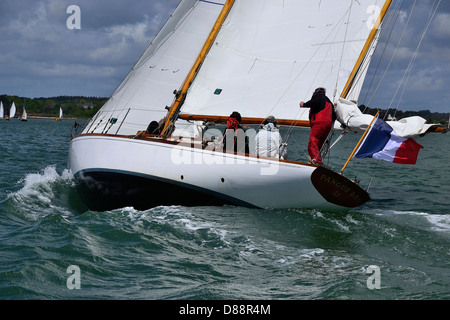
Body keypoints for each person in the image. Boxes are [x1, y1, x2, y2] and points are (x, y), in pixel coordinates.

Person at [300, 87, 335, 165]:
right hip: (328, 125)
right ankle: (316, 161)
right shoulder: (329, 101)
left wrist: (304, 104)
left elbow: (314, 102)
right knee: (318, 145)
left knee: (313, 143)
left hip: (319, 123)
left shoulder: (318, 96)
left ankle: (316, 162)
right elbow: (334, 115)